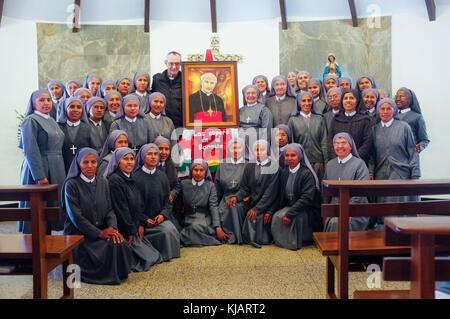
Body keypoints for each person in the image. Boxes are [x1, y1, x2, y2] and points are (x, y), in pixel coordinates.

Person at [62, 147, 131, 284]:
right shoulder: (71, 185)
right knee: (107, 247)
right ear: (78, 164)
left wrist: (113, 229)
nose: (90, 166)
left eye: (93, 162)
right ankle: (101, 275)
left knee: (119, 242)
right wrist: (99, 234)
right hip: (80, 234)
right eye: (85, 162)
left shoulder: (103, 182)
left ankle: (117, 273)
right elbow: (77, 218)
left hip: (102, 228)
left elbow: (110, 210)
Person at [104, 147, 163, 271]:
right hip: (124, 228)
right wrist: (131, 231)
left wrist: (140, 223)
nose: (130, 162)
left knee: (155, 256)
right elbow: (121, 210)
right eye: (125, 159)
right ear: (117, 161)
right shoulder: (115, 181)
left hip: (134, 225)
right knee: (148, 260)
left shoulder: (131, 177)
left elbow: (139, 205)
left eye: (131, 158)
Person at [18, 89, 66, 234]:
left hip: (56, 167)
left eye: (48, 100)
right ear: (34, 103)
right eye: (41, 100)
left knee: (51, 211)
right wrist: (39, 175)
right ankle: (34, 248)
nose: (46, 103)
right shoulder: (30, 120)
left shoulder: (51, 119)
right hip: (40, 168)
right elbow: (30, 150)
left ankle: (48, 244)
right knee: (38, 210)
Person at [370, 98, 420, 227]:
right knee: (384, 208)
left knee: (401, 209)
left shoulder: (404, 127)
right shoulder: (374, 129)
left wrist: (415, 173)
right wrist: (370, 172)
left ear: (394, 110)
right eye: (382, 109)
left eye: (389, 108)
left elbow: (413, 151)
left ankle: (405, 234)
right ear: (378, 111)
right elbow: (372, 155)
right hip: (381, 173)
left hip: (401, 173)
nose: (385, 112)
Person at [134, 144, 181, 262]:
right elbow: (133, 205)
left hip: (159, 219)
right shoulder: (135, 178)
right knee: (165, 231)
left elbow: (168, 201)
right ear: (143, 156)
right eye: (149, 154)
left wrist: (162, 215)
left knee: (171, 229)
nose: (153, 157)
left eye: (155, 154)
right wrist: (143, 220)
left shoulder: (162, 176)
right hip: (142, 222)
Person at [271, 143, 321, 250]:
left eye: (293, 155)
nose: (289, 158)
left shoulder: (306, 174)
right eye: (287, 155)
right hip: (290, 206)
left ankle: (298, 241)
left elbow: (306, 198)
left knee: (294, 218)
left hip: (306, 209)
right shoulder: (284, 172)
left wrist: (290, 214)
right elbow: (279, 195)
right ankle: (282, 242)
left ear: (300, 156)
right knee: (277, 216)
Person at [234, 140, 280, 248]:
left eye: (262, 150)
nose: (259, 152)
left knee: (255, 217)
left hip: (268, 204)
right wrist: (237, 197)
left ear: (268, 151)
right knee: (236, 207)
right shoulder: (250, 166)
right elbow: (244, 188)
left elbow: (271, 193)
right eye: (256, 150)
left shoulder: (273, 167)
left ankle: (257, 239)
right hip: (252, 201)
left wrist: (257, 209)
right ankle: (238, 237)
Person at [323, 133, 370, 232]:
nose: (340, 146)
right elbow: (326, 191)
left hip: (355, 210)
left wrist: (348, 211)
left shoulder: (359, 164)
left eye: (344, 143)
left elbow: (361, 192)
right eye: (336, 143)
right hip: (335, 208)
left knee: (336, 222)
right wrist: (326, 211)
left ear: (350, 146)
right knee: (333, 221)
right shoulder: (330, 164)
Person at [179, 159, 227, 246]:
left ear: (206, 171)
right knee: (187, 229)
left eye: (201, 170)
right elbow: (178, 205)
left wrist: (218, 227)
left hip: (204, 218)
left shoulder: (210, 185)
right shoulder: (183, 184)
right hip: (187, 217)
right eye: (195, 170)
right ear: (191, 170)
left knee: (196, 227)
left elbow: (213, 206)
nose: (198, 173)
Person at [288, 92, 328, 181]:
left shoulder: (319, 119)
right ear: (299, 103)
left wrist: (326, 161)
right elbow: (292, 143)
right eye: (303, 101)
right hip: (301, 162)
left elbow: (324, 142)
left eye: (309, 100)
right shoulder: (293, 120)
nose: (307, 103)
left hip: (318, 161)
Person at [215, 138, 248, 244]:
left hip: (242, 199)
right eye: (233, 147)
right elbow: (217, 187)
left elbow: (250, 187)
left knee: (233, 208)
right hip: (225, 197)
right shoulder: (222, 164)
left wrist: (239, 197)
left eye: (238, 147)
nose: (236, 150)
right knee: (220, 210)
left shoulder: (248, 164)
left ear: (243, 149)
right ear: (229, 149)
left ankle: (235, 236)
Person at [328, 89, 373, 165]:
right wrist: (338, 157)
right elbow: (330, 141)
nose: (348, 101)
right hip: (339, 161)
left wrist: (354, 158)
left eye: (351, 98)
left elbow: (367, 143)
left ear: (357, 101)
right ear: (342, 101)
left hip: (359, 161)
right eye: (345, 98)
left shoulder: (365, 119)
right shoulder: (336, 119)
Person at [57, 96, 99, 173]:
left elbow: (95, 149)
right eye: (72, 107)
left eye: (79, 107)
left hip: (83, 169)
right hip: (61, 167)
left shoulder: (88, 128)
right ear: (65, 109)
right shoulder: (58, 127)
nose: (75, 110)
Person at [154, 136, 182, 231]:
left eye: (167, 149)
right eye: (160, 149)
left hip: (169, 203)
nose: (164, 152)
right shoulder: (150, 165)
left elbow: (177, 185)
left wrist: (172, 194)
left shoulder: (171, 165)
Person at [151, 51, 183, 128]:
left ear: (181, 63)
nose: (174, 67)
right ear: (166, 63)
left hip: (180, 123)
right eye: (171, 63)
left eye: (177, 64)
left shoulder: (185, 79)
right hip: (161, 123)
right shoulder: (157, 79)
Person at [395, 87, 430, 153]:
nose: (398, 99)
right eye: (396, 96)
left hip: (409, 158)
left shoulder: (417, 117)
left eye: (401, 96)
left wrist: (420, 147)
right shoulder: (392, 115)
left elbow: (425, 140)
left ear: (410, 99)